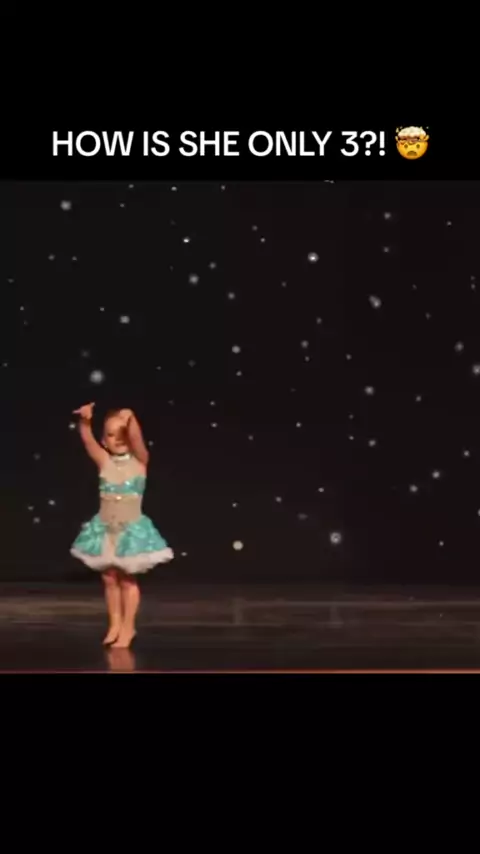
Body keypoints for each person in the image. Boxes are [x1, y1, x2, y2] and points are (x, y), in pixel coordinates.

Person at [71, 403, 173, 648]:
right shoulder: (104, 461)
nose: (118, 439)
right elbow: (88, 442)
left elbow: (137, 439)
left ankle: (128, 627)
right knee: (109, 578)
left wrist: (131, 420)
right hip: (106, 530)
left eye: (122, 433)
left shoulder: (140, 461)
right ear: (104, 440)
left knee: (127, 580)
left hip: (130, 532)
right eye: (111, 434)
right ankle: (115, 624)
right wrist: (85, 422)